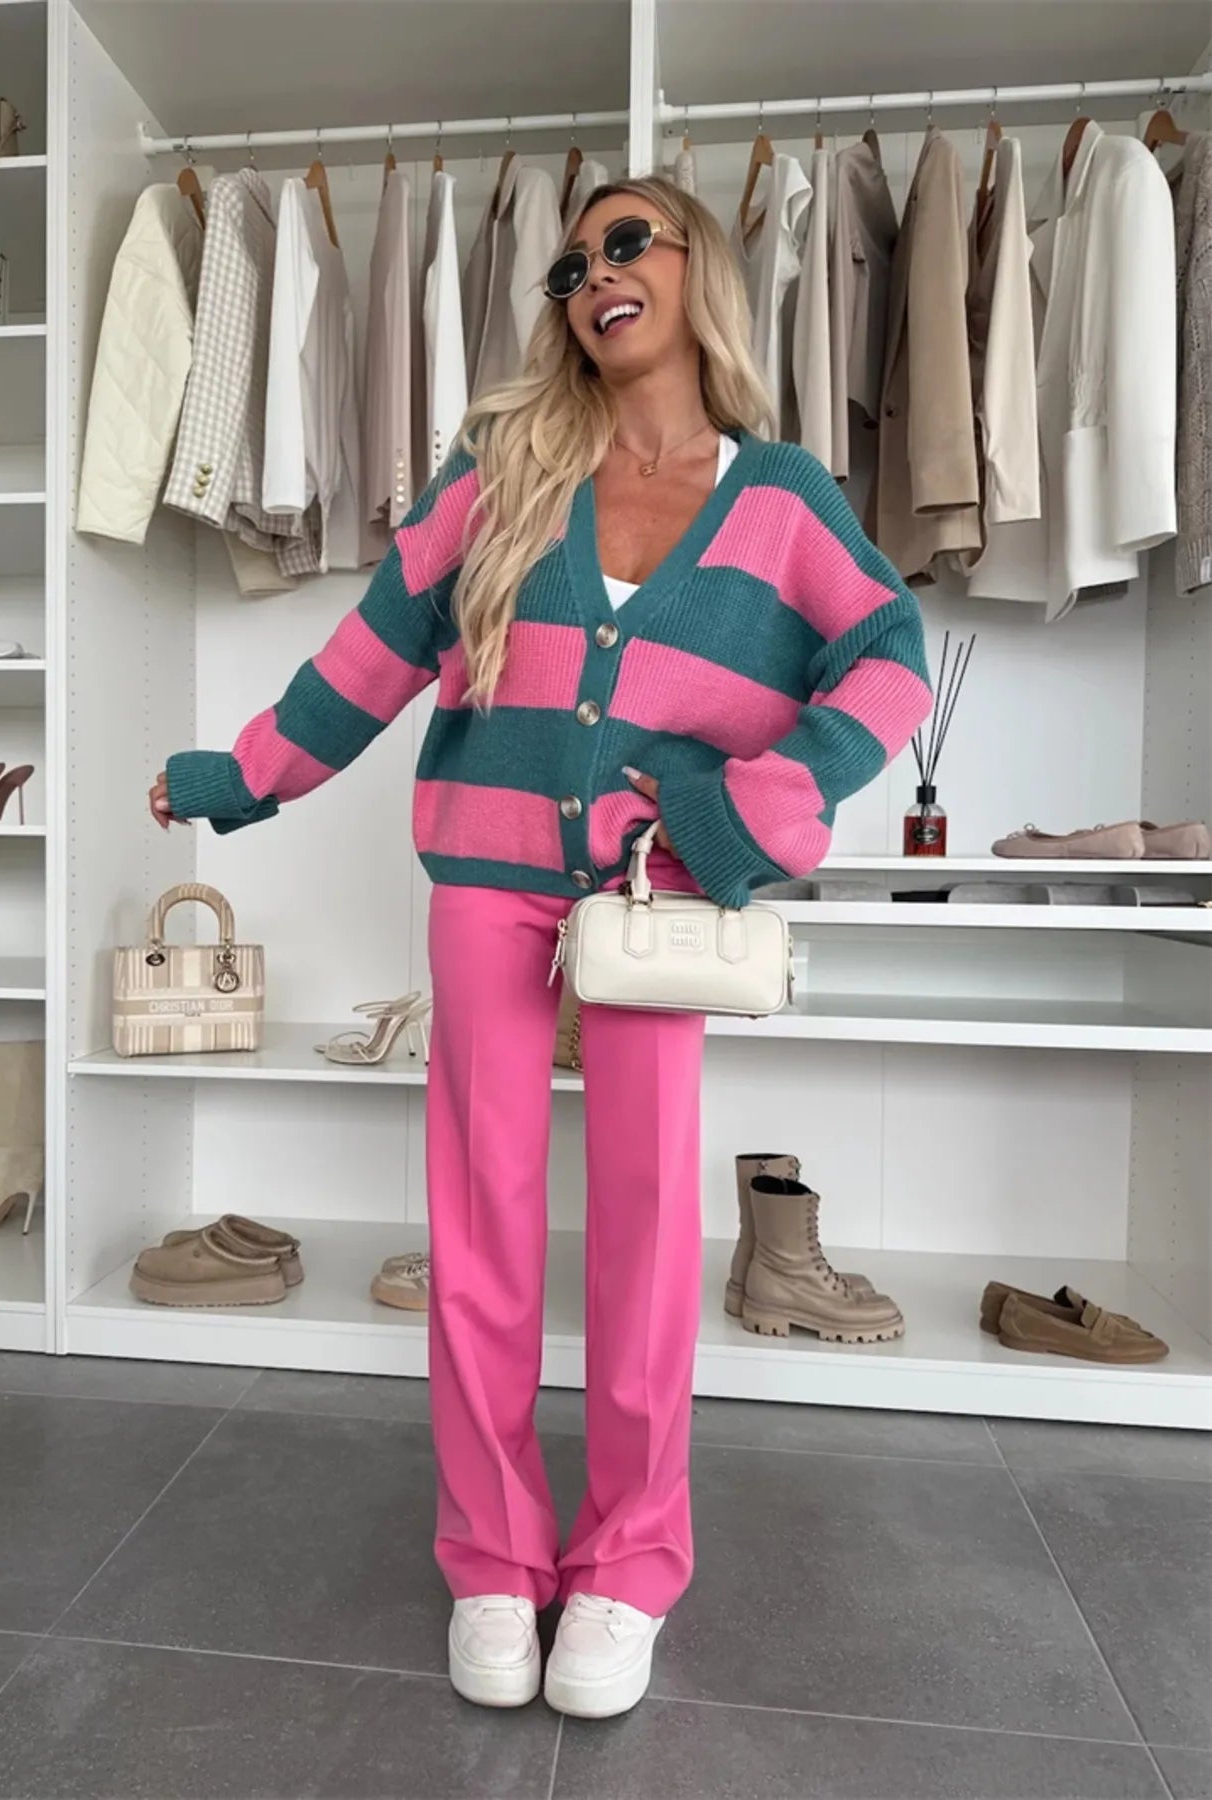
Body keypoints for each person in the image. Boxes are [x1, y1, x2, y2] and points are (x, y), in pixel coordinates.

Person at [151, 177, 931, 1721]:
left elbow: (890, 659)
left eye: (626, 240)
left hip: (655, 904)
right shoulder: (501, 469)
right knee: (481, 1232)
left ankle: (631, 1561)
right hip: (489, 884)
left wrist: (744, 809)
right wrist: (241, 778)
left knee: (644, 1239)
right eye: (572, 261)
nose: (593, 273)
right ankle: (494, 1557)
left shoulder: (776, 494)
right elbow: (372, 651)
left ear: (697, 265)